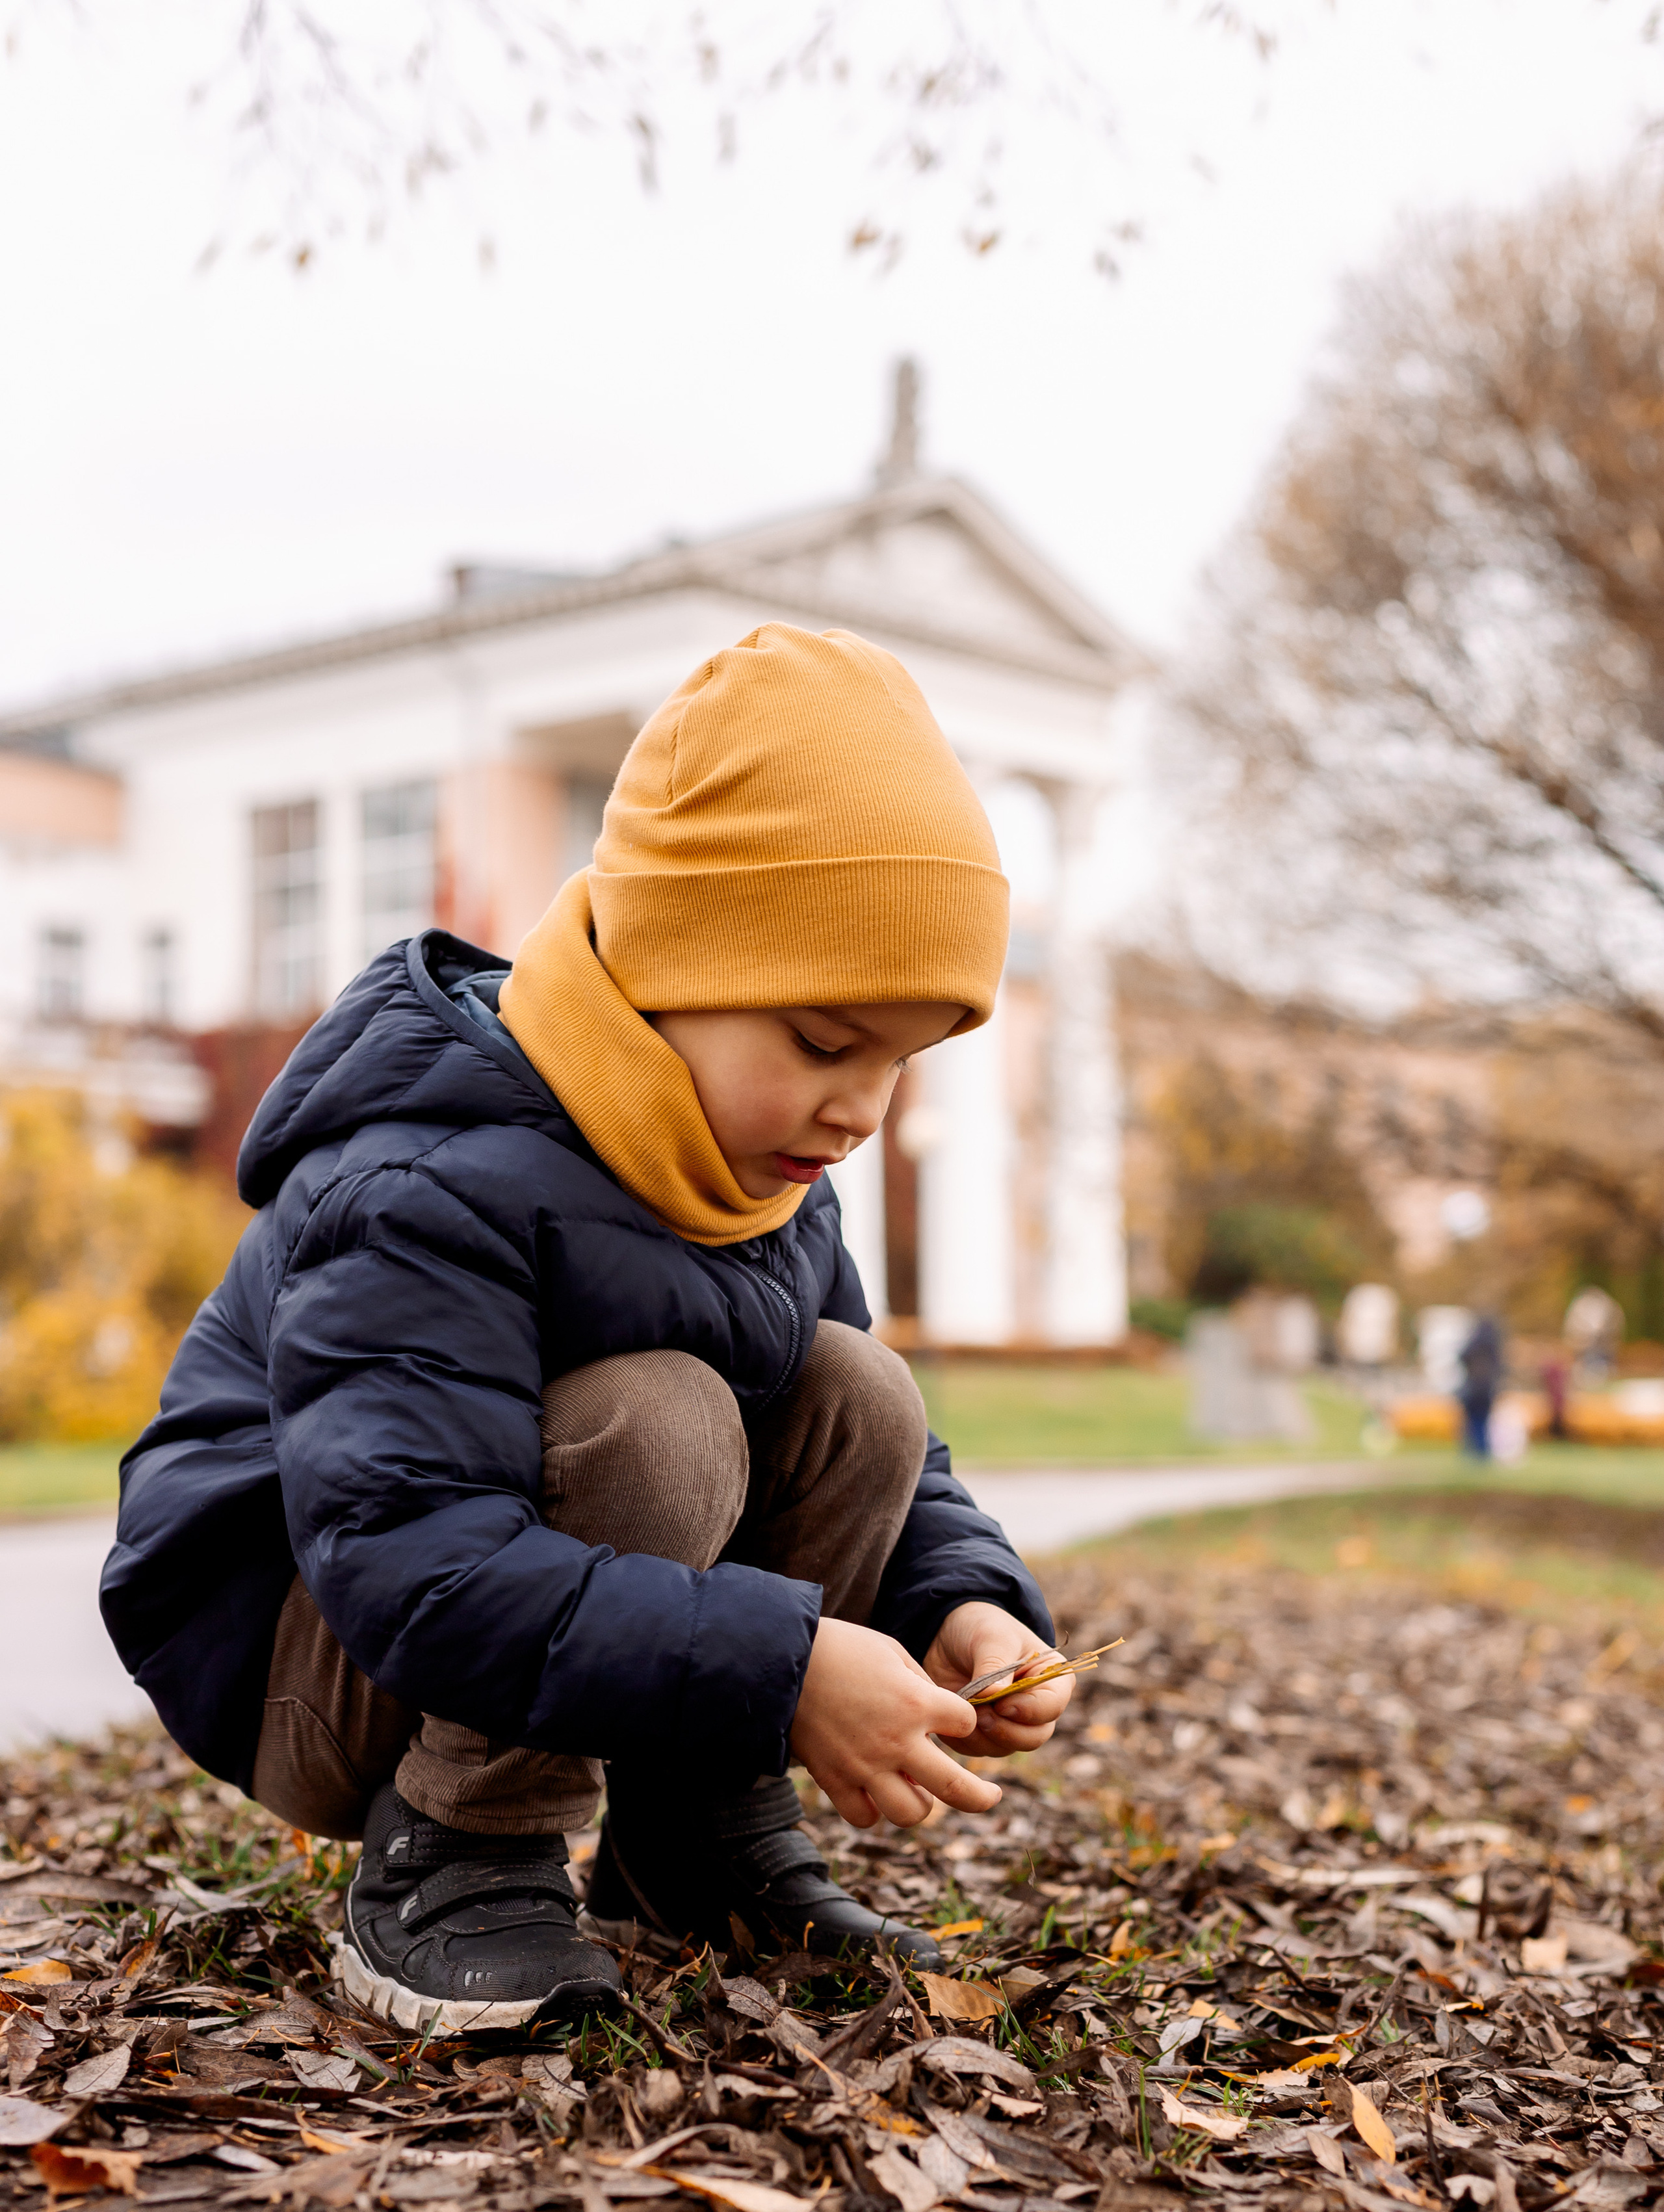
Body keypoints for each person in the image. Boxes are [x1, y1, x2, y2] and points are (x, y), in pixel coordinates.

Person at [101, 625, 1074, 2036]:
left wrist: (960, 1605)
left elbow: (879, 1469)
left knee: (852, 1386)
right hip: (312, 1644)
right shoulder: (426, 1172)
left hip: (483, 1605)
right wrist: (785, 1667)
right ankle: (456, 1858)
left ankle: (691, 1843)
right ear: (668, 964)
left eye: (899, 1061)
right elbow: (408, 1556)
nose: (861, 1109)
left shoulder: (760, 1172)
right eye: (820, 1040)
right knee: (662, 1418)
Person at [1458, 1314, 1504, 1459]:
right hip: (1488, 1389)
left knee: (1473, 1422)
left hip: (1474, 1389)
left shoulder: (1475, 1343)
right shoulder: (1494, 1346)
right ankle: (1483, 1452)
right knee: (1483, 1422)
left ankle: (1474, 1453)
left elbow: (1462, 1356)